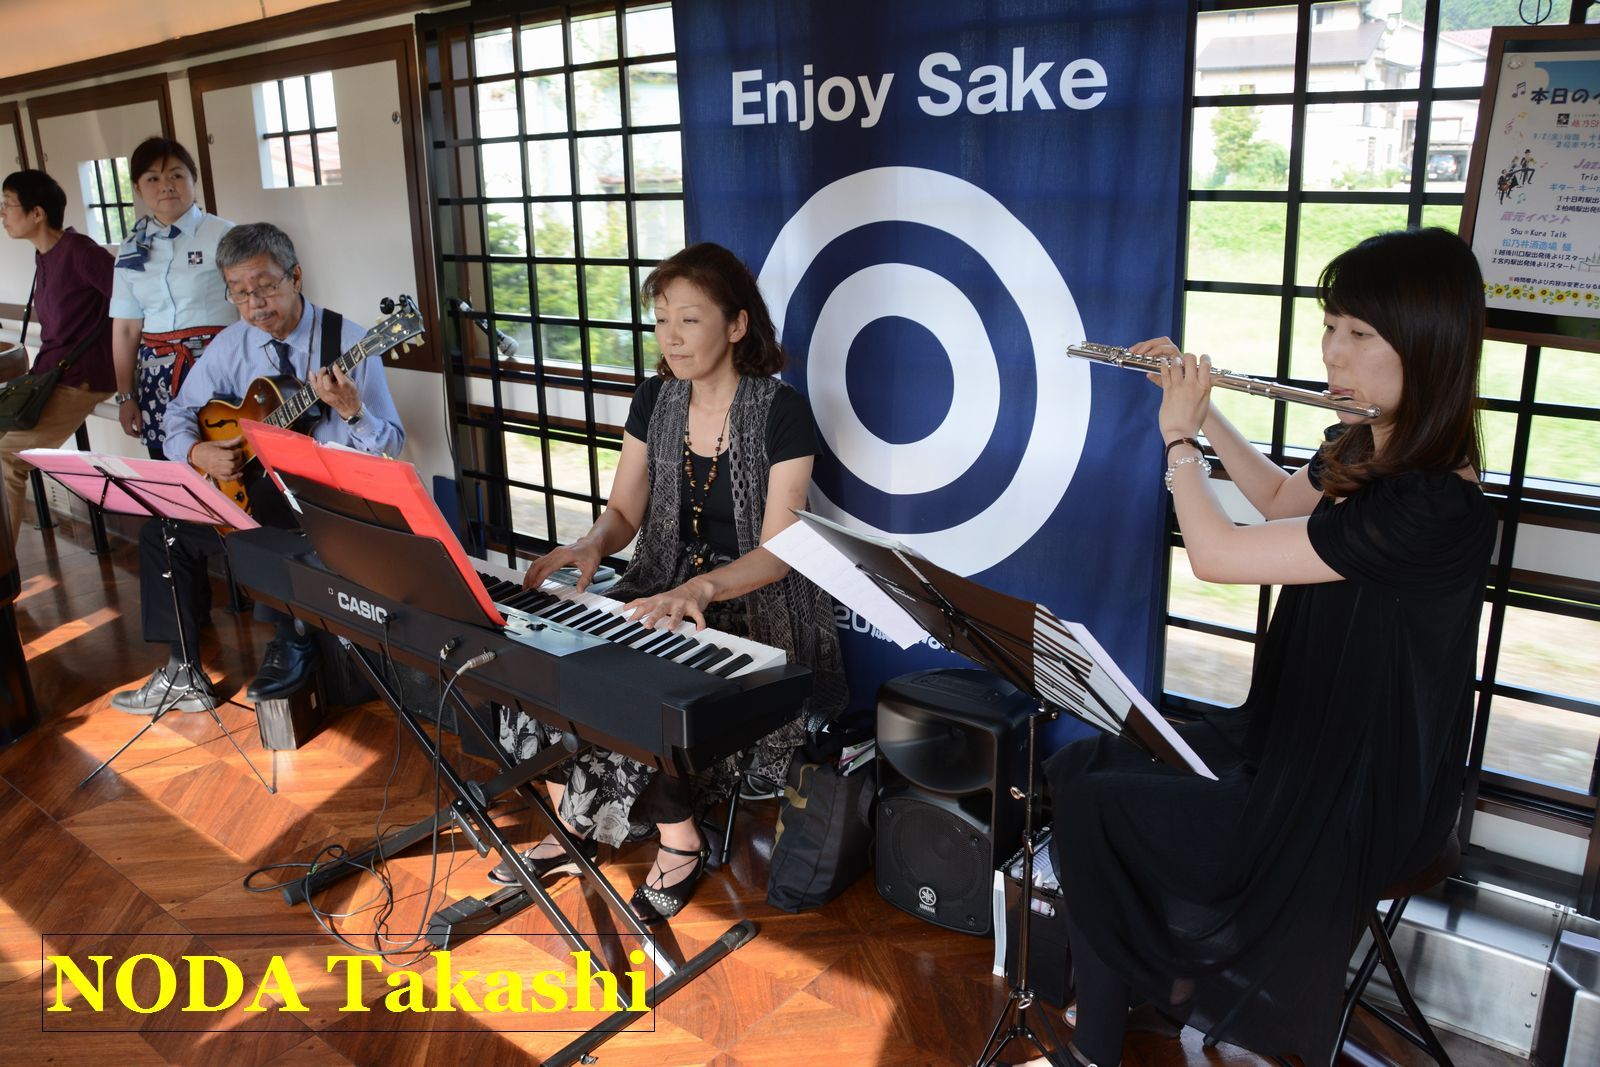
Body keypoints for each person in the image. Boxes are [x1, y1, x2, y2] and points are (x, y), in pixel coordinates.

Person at [1018, 228, 1496, 1067]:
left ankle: (1099, 1044)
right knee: (1087, 765)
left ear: (1427, 346)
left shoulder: (1430, 504)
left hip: (1356, 785)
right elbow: (1277, 499)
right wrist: (1205, 412)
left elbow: (1221, 554)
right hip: (1296, 731)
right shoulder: (1366, 442)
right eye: (1332, 325)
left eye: (1361, 335)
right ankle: (1155, 983)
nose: (1332, 353)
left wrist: (1177, 443)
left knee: (1103, 805)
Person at [489, 242, 847, 924]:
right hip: (660, 580)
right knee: (553, 647)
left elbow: (778, 553)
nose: (671, 337)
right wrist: (590, 546)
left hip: (751, 600)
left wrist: (702, 591)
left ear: (737, 326)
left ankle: (681, 840)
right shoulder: (654, 397)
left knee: (643, 673)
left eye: (689, 319)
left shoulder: (781, 410)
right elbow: (624, 512)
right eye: (660, 321)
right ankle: (572, 811)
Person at [110, 222, 405, 714]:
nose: (256, 304)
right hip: (246, 493)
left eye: (266, 286)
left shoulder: (349, 343)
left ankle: (292, 639)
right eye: (241, 293)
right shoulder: (233, 344)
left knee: (273, 511)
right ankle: (183, 671)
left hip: (323, 507)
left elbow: (390, 447)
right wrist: (194, 452)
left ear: (296, 277)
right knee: (163, 531)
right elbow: (180, 412)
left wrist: (353, 412)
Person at [0, 171, 115, 545]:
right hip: (49, 377)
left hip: (81, 379)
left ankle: (3, 573)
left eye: (7, 205)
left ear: (37, 213)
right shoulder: (44, 255)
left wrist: (128, 377)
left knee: (6, 461)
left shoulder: (80, 252)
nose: (2, 214)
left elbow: (130, 304)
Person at [109, 137, 236, 459]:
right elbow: (125, 328)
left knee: (229, 461)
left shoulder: (224, 235)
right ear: (138, 188)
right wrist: (126, 397)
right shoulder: (130, 250)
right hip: (157, 376)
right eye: (153, 178)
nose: (166, 186)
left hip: (219, 369)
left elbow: (251, 306)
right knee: (172, 468)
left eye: (176, 175)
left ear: (194, 179)